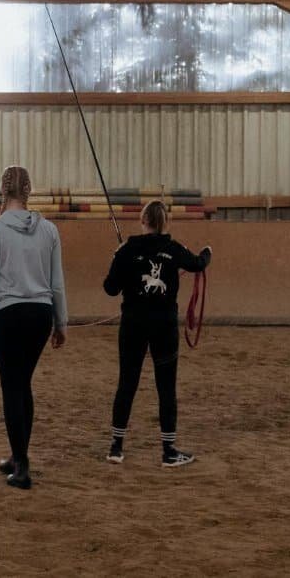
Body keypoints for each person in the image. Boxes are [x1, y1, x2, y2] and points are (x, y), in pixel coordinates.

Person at [0, 165, 67, 490]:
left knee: (12, 388)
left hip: (10, 315)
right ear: (28, 190)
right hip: (41, 315)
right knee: (22, 384)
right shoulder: (49, 231)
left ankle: (22, 465)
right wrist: (61, 322)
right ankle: (17, 454)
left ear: (3, 191)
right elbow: (57, 284)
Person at [103, 200, 211, 468]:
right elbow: (198, 263)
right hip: (163, 327)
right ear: (166, 223)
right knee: (166, 388)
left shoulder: (127, 249)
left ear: (143, 221)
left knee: (127, 383)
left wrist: (117, 259)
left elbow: (110, 288)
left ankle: (116, 447)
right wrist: (208, 251)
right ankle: (168, 450)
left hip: (132, 326)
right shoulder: (173, 249)